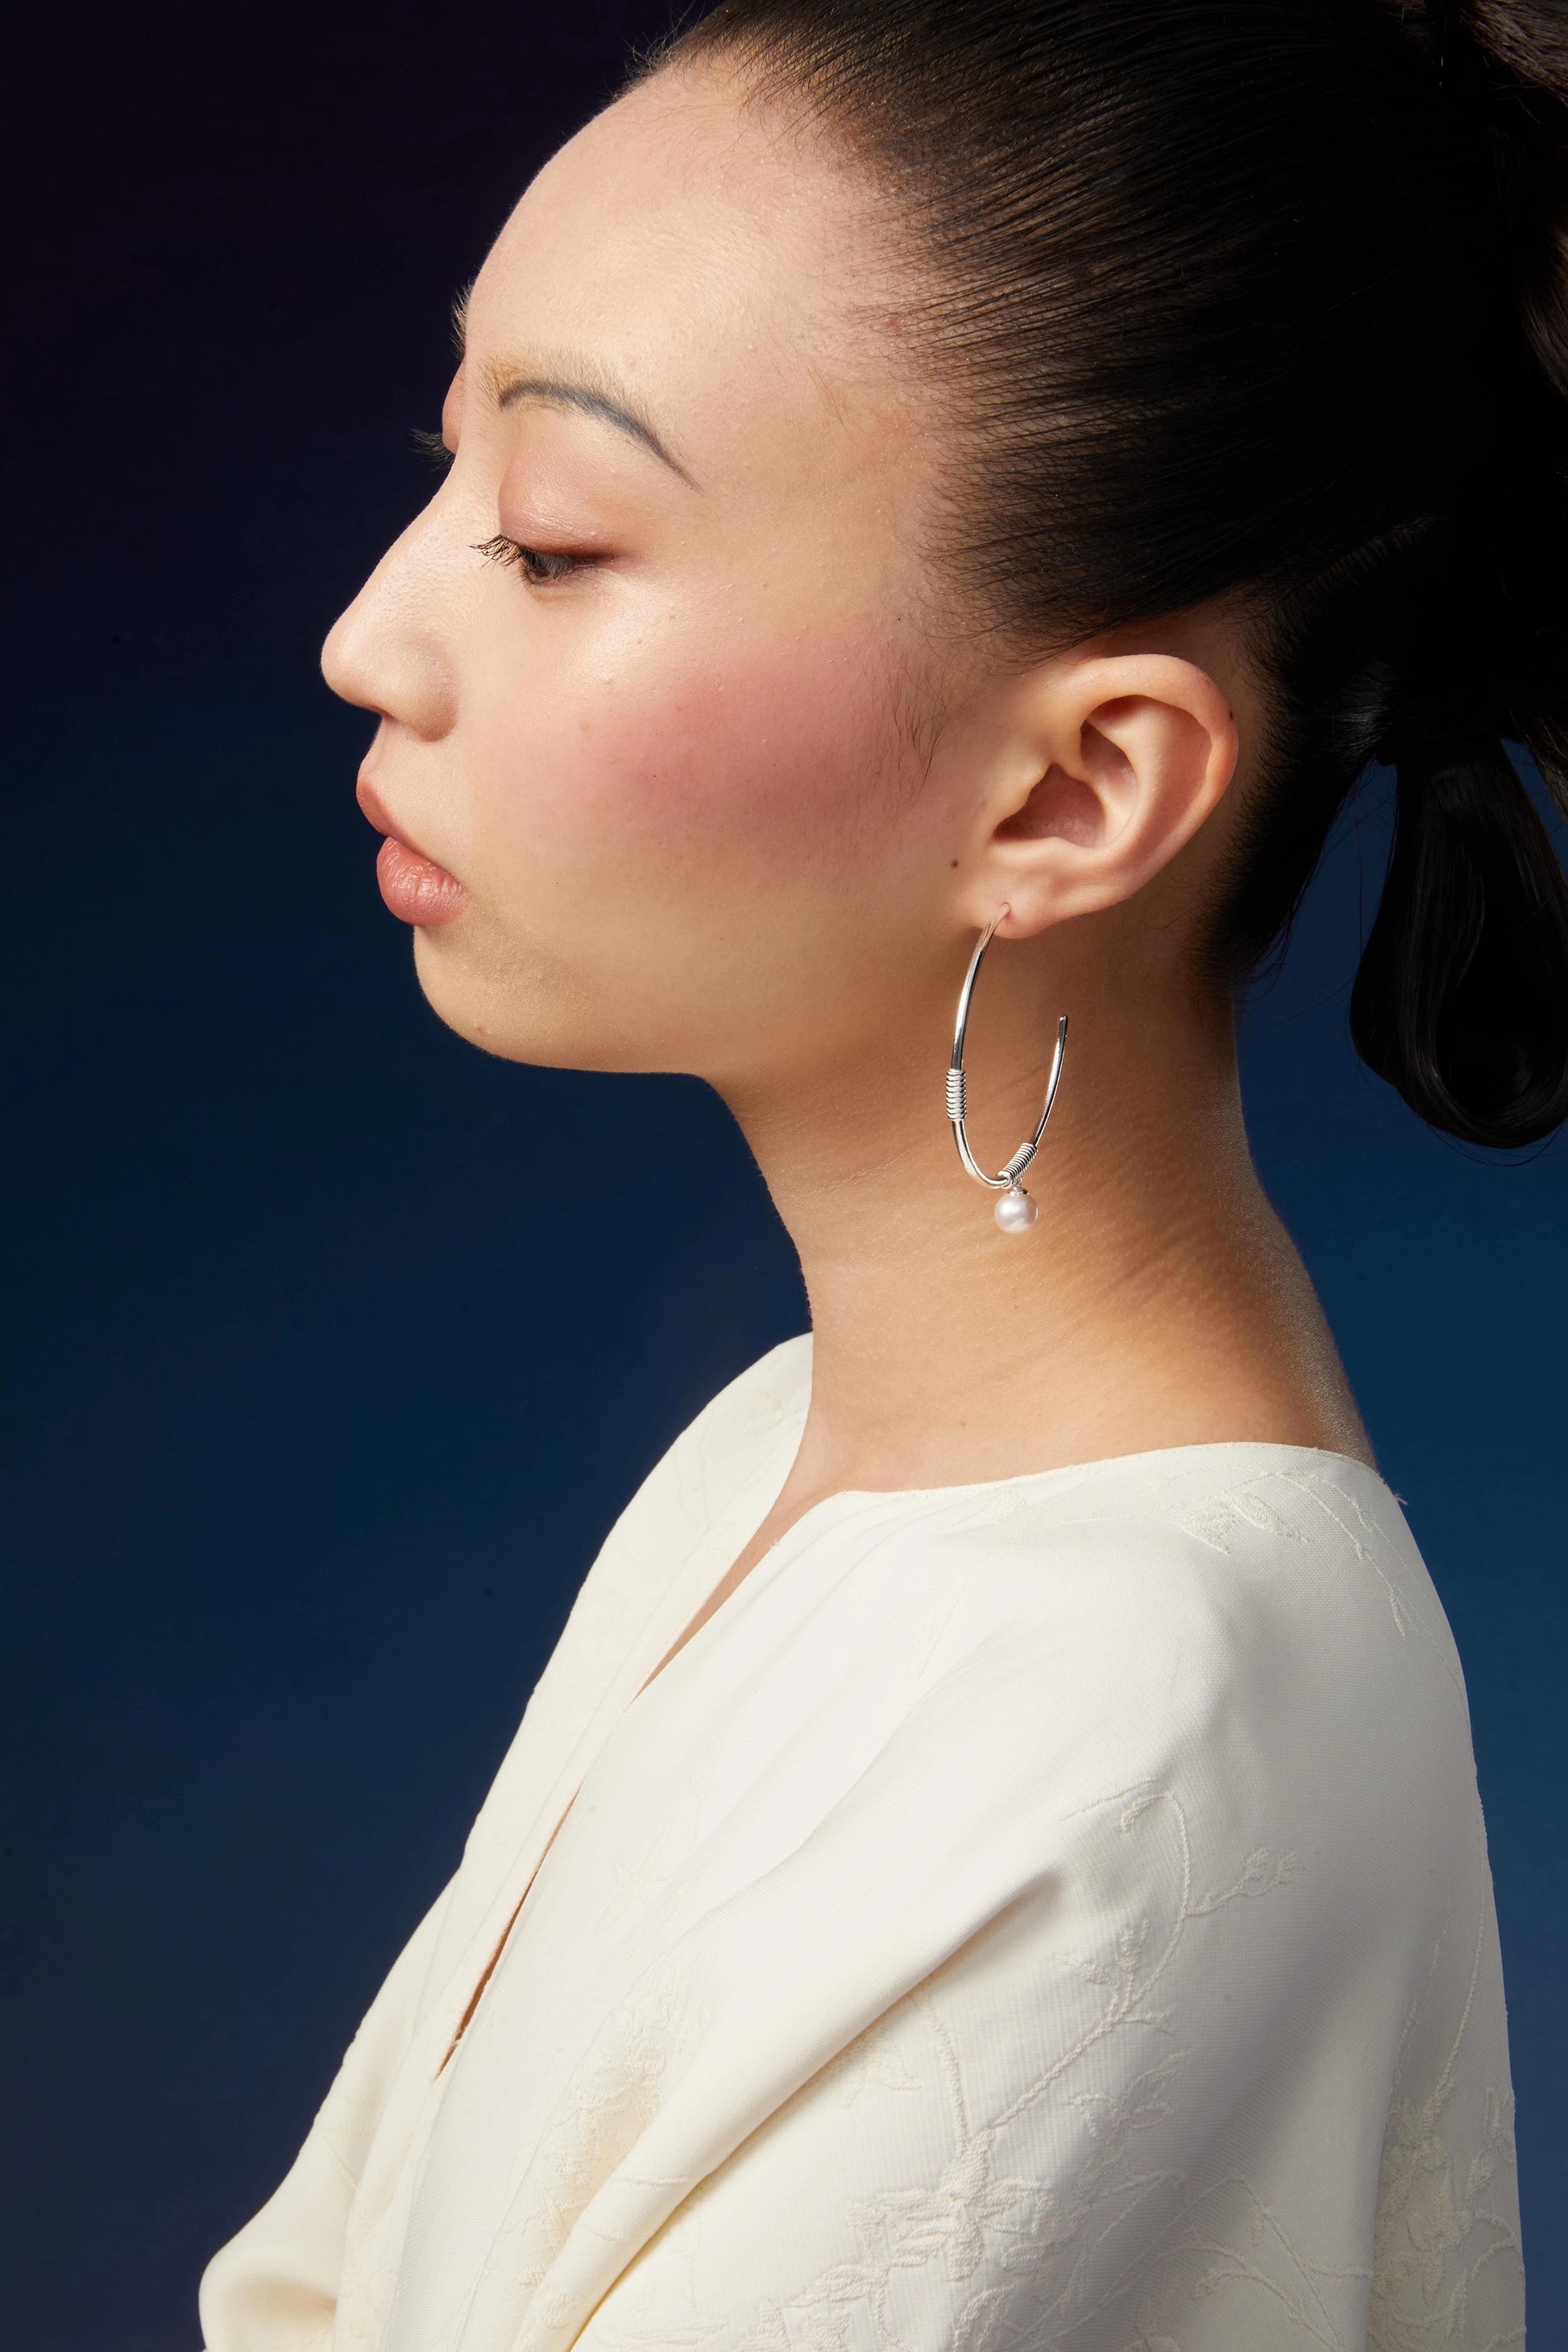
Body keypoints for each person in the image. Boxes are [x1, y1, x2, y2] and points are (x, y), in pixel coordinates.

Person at [199, 2, 1566, 2344]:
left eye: (546, 538)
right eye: (442, 472)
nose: (367, 638)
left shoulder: (1104, 1736)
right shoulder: (783, 1462)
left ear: (1069, 797)